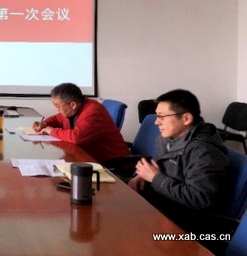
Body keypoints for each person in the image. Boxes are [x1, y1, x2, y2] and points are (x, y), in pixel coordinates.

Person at [128, 89, 230, 237]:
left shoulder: (204, 152)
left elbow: (199, 199)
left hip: (183, 226)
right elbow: (160, 163)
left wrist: (155, 178)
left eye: (162, 116)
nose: (156, 122)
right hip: (158, 206)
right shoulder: (170, 137)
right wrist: (142, 176)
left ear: (186, 118)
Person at [32, 82, 129, 163]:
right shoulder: (74, 109)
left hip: (112, 164)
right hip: (88, 157)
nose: (56, 109)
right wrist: (44, 124)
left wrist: (51, 131)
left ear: (73, 105)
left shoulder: (93, 111)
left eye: (58, 106)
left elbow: (76, 137)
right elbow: (58, 118)